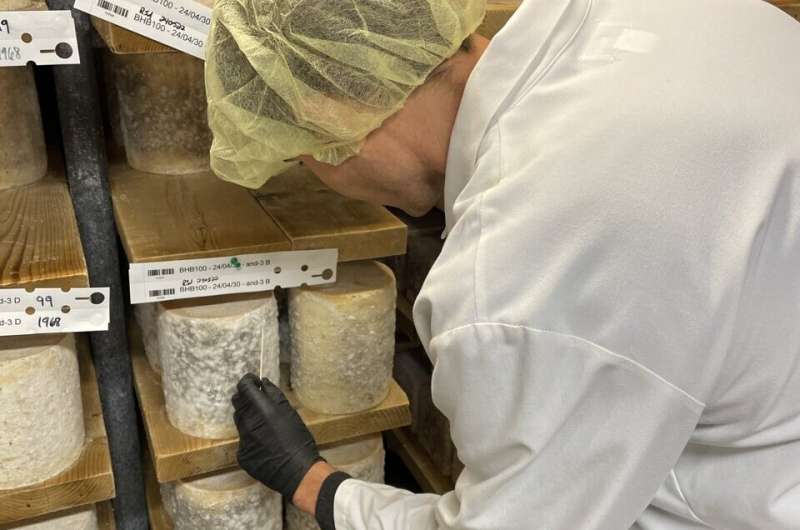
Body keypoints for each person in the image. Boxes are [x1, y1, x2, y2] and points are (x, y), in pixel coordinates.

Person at [208, 0, 800, 528]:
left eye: (306, 158)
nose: (332, 181)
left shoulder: (519, 278)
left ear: (334, 115)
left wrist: (312, 483)